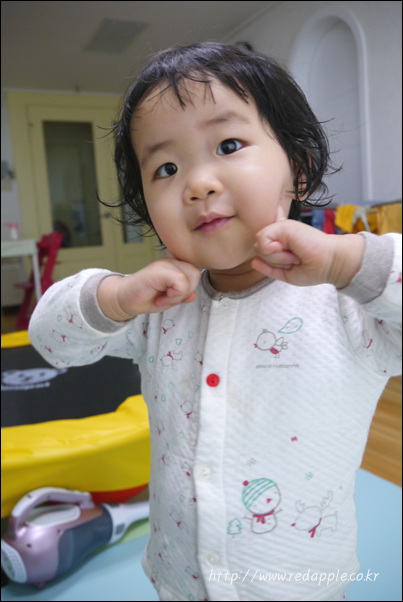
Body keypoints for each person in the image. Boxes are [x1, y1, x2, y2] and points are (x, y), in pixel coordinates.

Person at [28, 42, 402, 601]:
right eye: (166, 168)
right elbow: (50, 339)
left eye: (228, 145)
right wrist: (116, 297)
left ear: (297, 170)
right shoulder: (159, 308)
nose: (197, 184)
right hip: (182, 582)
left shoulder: (343, 304)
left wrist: (347, 262)